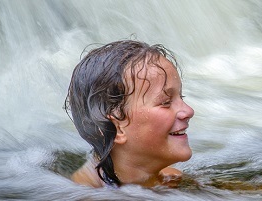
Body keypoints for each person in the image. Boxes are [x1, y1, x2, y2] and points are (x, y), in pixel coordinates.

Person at [65, 40, 195, 188]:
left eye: (181, 97)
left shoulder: (171, 180)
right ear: (117, 128)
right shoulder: (85, 195)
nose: (189, 111)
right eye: (165, 102)